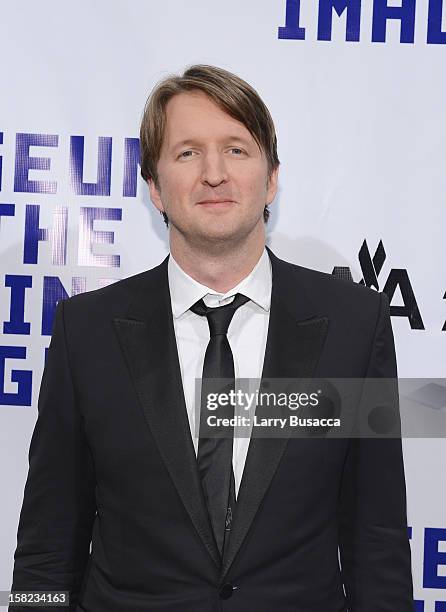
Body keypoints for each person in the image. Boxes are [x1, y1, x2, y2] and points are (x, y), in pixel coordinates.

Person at [10, 64, 413, 611]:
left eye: (237, 149)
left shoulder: (352, 325)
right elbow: (46, 542)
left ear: (271, 177)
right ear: (154, 186)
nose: (214, 173)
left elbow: (377, 538)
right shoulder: (87, 331)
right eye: (187, 153)